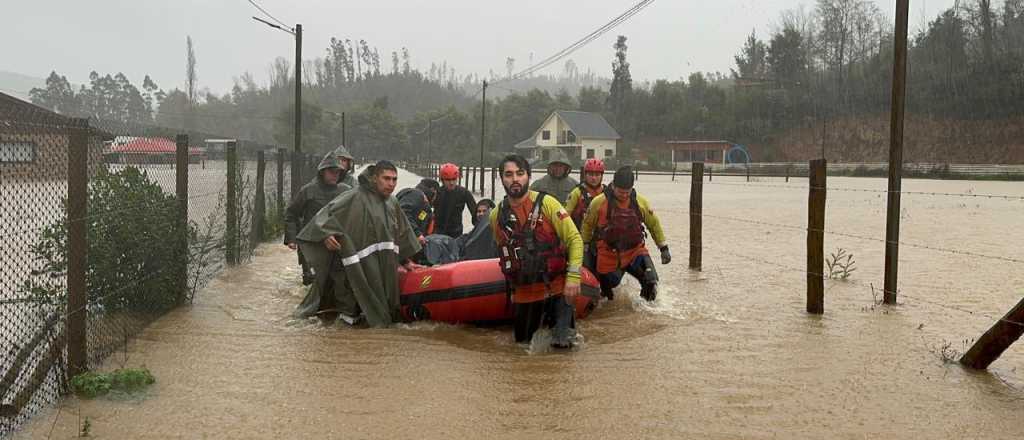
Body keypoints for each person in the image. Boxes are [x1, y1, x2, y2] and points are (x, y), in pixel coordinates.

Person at [294, 160, 423, 327]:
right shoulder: (354, 197)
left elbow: (402, 234)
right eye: (386, 178)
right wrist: (326, 235)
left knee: (385, 312)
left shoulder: (393, 203)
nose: (391, 184)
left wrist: (407, 261)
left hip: (384, 269)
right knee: (352, 316)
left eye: (394, 179)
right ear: (375, 178)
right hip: (356, 270)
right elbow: (324, 217)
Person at [489, 154, 583, 349]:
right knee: (522, 353)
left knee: (563, 350)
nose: (515, 179)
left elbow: (575, 239)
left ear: (528, 177)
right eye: (508, 174)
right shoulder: (496, 216)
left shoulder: (548, 204)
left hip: (556, 290)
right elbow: (503, 251)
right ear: (501, 179)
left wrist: (573, 277)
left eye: (520, 173)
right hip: (525, 295)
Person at [581, 166, 670, 302]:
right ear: (613, 186)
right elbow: (587, 225)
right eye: (620, 192)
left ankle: (646, 311)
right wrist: (585, 247)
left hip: (635, 251)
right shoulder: (598, 203)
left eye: (627, 192)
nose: (623, 195)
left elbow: (654, 224)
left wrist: (663, 248)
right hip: (608, 254)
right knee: (608, 293)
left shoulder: (640, 202)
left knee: (651, 282)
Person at [284, 153, 351, 285]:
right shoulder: (308, 191)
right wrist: (291, 238)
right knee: (311, 283)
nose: (335, 175)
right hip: (311, 244)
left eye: (338, 172)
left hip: (336, 244)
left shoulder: (346, 191)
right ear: (322, 172)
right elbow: (291, 214)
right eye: (331, 172)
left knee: (336, 283)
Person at [565, 158, 606, 271]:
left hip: (601, 240)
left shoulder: (607, 194)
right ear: (585, 175)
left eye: (597, 174)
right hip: (581, 239)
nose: (593, 178)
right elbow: (565, 217)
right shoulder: (576, 193)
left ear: (602, 176)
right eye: (590, 174)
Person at [433, 162, 476, 238]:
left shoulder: (464, 193)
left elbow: (475, 212)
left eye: (454, 179)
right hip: (438, 233)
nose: (451, 183)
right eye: (448, 180)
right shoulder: (436, 193)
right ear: (442, 180)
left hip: (456, 234)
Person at [396, 178, 440, 244]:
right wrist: (417, 234)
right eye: (436, 195)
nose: (436, 198)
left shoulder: (424, 204)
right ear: (433, 190)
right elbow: (403, 213)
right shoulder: (417, 194)